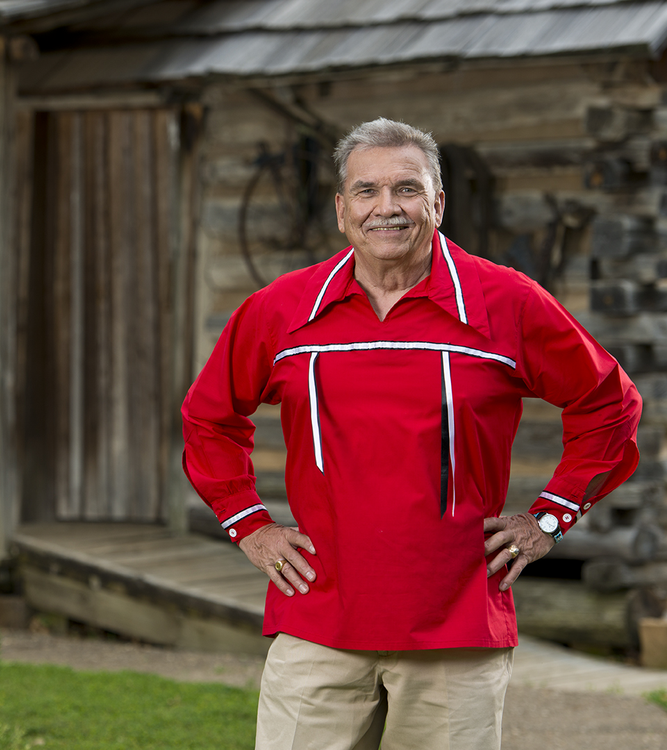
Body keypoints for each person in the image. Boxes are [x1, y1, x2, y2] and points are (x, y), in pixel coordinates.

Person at [181, 117, 642, 750]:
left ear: (438, 203)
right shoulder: (281, 310)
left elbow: (609, 405)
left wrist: (550, 519)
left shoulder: (507, 302)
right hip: (319, 618)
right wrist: (249, 524)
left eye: (407, 189)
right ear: (342, 209)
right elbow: (209, 416)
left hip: (456, 627)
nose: (387, 209)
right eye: (367, 192)